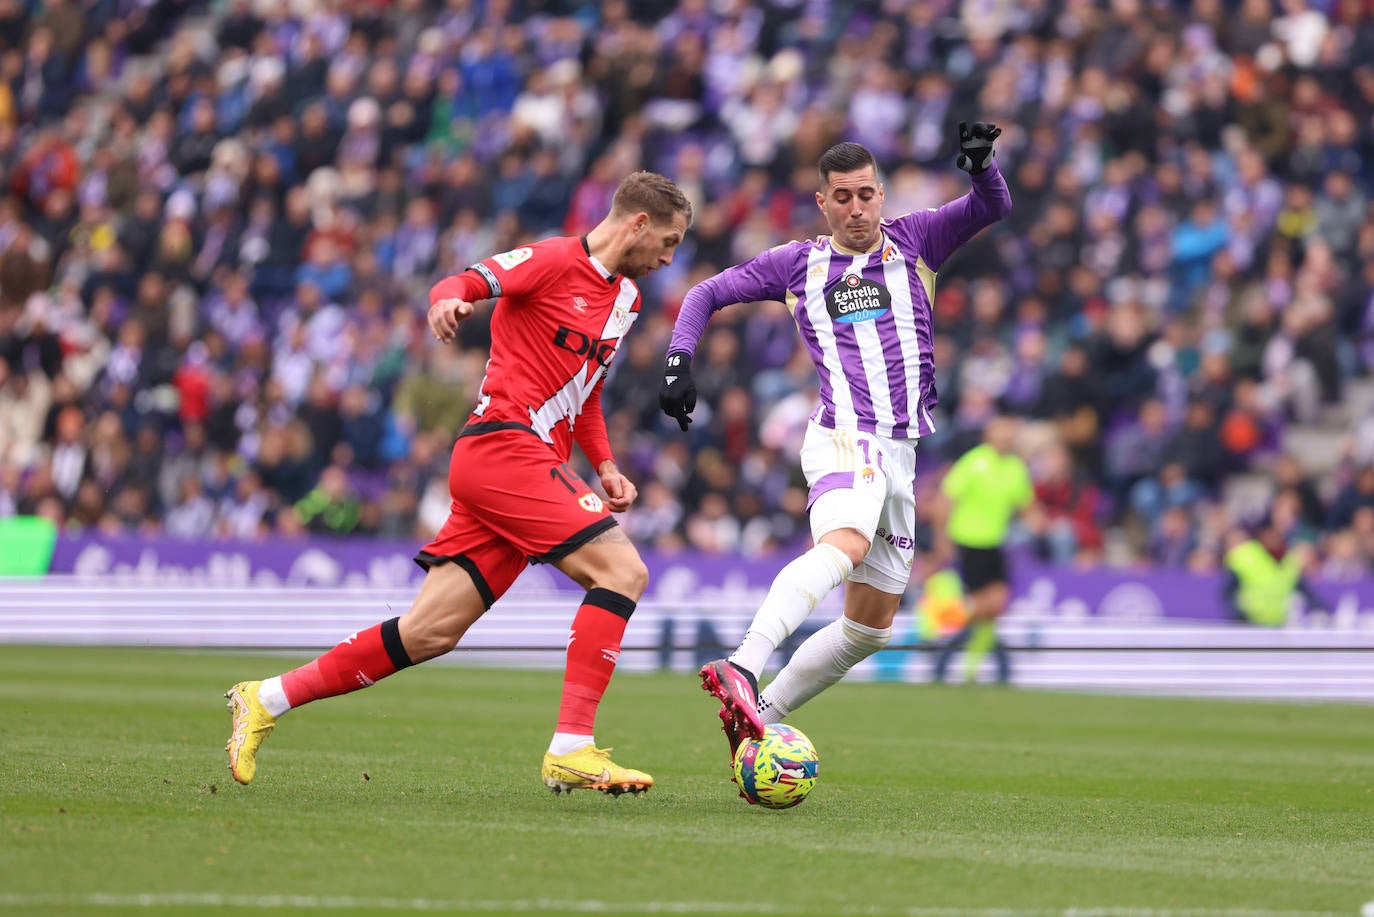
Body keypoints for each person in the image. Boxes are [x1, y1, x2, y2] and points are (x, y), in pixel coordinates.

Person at [225, 171, 694, 795]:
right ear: (636, 223)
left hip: (528, 466)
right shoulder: (552, 261)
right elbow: (465, 280)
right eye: (668, 240)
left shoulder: (627, 301)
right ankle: (572, 746)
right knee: (623, 572)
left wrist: (604, 463)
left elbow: (587, 393)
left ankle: (265, 698)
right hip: (503, 448)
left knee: (429, 633)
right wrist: (447, 301)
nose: (669, 256)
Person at [657, 125, 1011, 760]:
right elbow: (707, 292)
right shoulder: (798, 263)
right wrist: (679, 359)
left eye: (866, 195)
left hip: (901, 453)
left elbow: (993, 206)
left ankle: (759, 713)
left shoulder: (918, 239)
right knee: (844, 546)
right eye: (842, 197)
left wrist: (982, 166)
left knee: (867, 630)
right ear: (822, 203)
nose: (856, 209)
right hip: (848, 436)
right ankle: (743, 662)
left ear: (882, 195)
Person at [931, 415, 1034, 684]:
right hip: (969, 540)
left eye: (1008, 435)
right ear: (989, 436)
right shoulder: (974, 462)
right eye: (1000, 434)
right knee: (988, 603)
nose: (1005, 439)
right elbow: (946, 499)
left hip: (995, 543)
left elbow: (1026, 505)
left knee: (994, 607)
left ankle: (969, 667)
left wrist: (1042, 522)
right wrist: (942, 538)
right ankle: (942, 622)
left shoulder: (1015, 468)